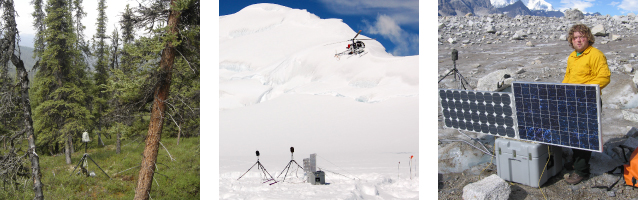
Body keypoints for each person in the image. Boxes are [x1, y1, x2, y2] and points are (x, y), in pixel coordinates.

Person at [562, 24, 611, 185]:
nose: (578, 40)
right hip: (572, 101)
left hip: (588, 101)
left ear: (588, 38)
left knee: (584, 136)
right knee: (573, 134)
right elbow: (567, 77)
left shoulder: (595, 55)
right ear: (571, 40)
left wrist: (584, 89)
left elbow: (604, 77)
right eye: (575, 37)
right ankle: (577, 162)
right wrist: (561, 91)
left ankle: (582, 171)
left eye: (581, 36)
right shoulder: (572, 56)